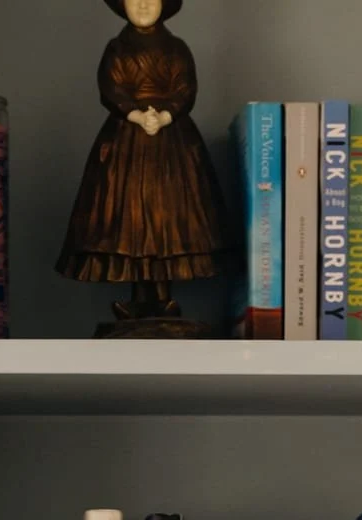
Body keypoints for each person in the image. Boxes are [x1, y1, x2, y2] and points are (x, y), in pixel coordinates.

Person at [57, 0, 235, 326]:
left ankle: (164, 298)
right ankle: (139, 299)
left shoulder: (177, 48)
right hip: (127, 139)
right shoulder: (116, 48)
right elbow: (109, 87)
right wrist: (135, 114)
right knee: (130, 222)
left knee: (168, 219)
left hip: (173, 144)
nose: (142, 4)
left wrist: (166, 115)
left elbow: (186, 88)